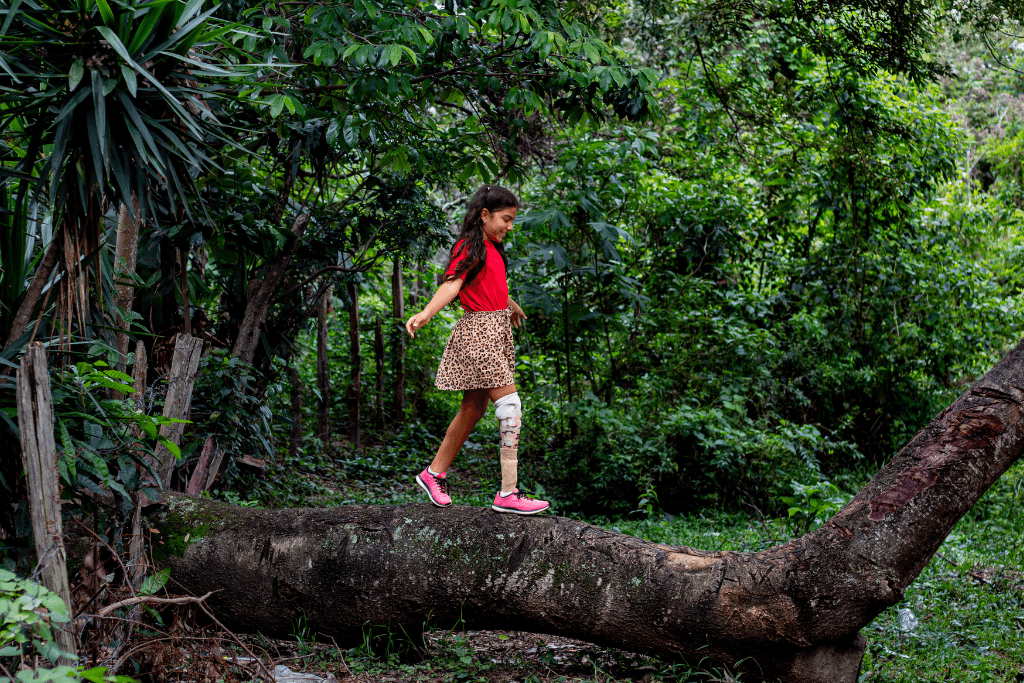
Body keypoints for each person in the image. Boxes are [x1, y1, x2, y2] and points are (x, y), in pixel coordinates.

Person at [405, 185, 550, 515]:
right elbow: (454, 283)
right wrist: (426, 313)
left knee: (473, 409)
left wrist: (509, 304)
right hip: (479, 335)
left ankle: (433, 473)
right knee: (510, 407)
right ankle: (508, 493)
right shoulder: (470, 246)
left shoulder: (492, 249)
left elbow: (486, 285)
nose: (509, 226)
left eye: (512, 221)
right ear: (485, 215)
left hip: (494, 332)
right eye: (505, 219)